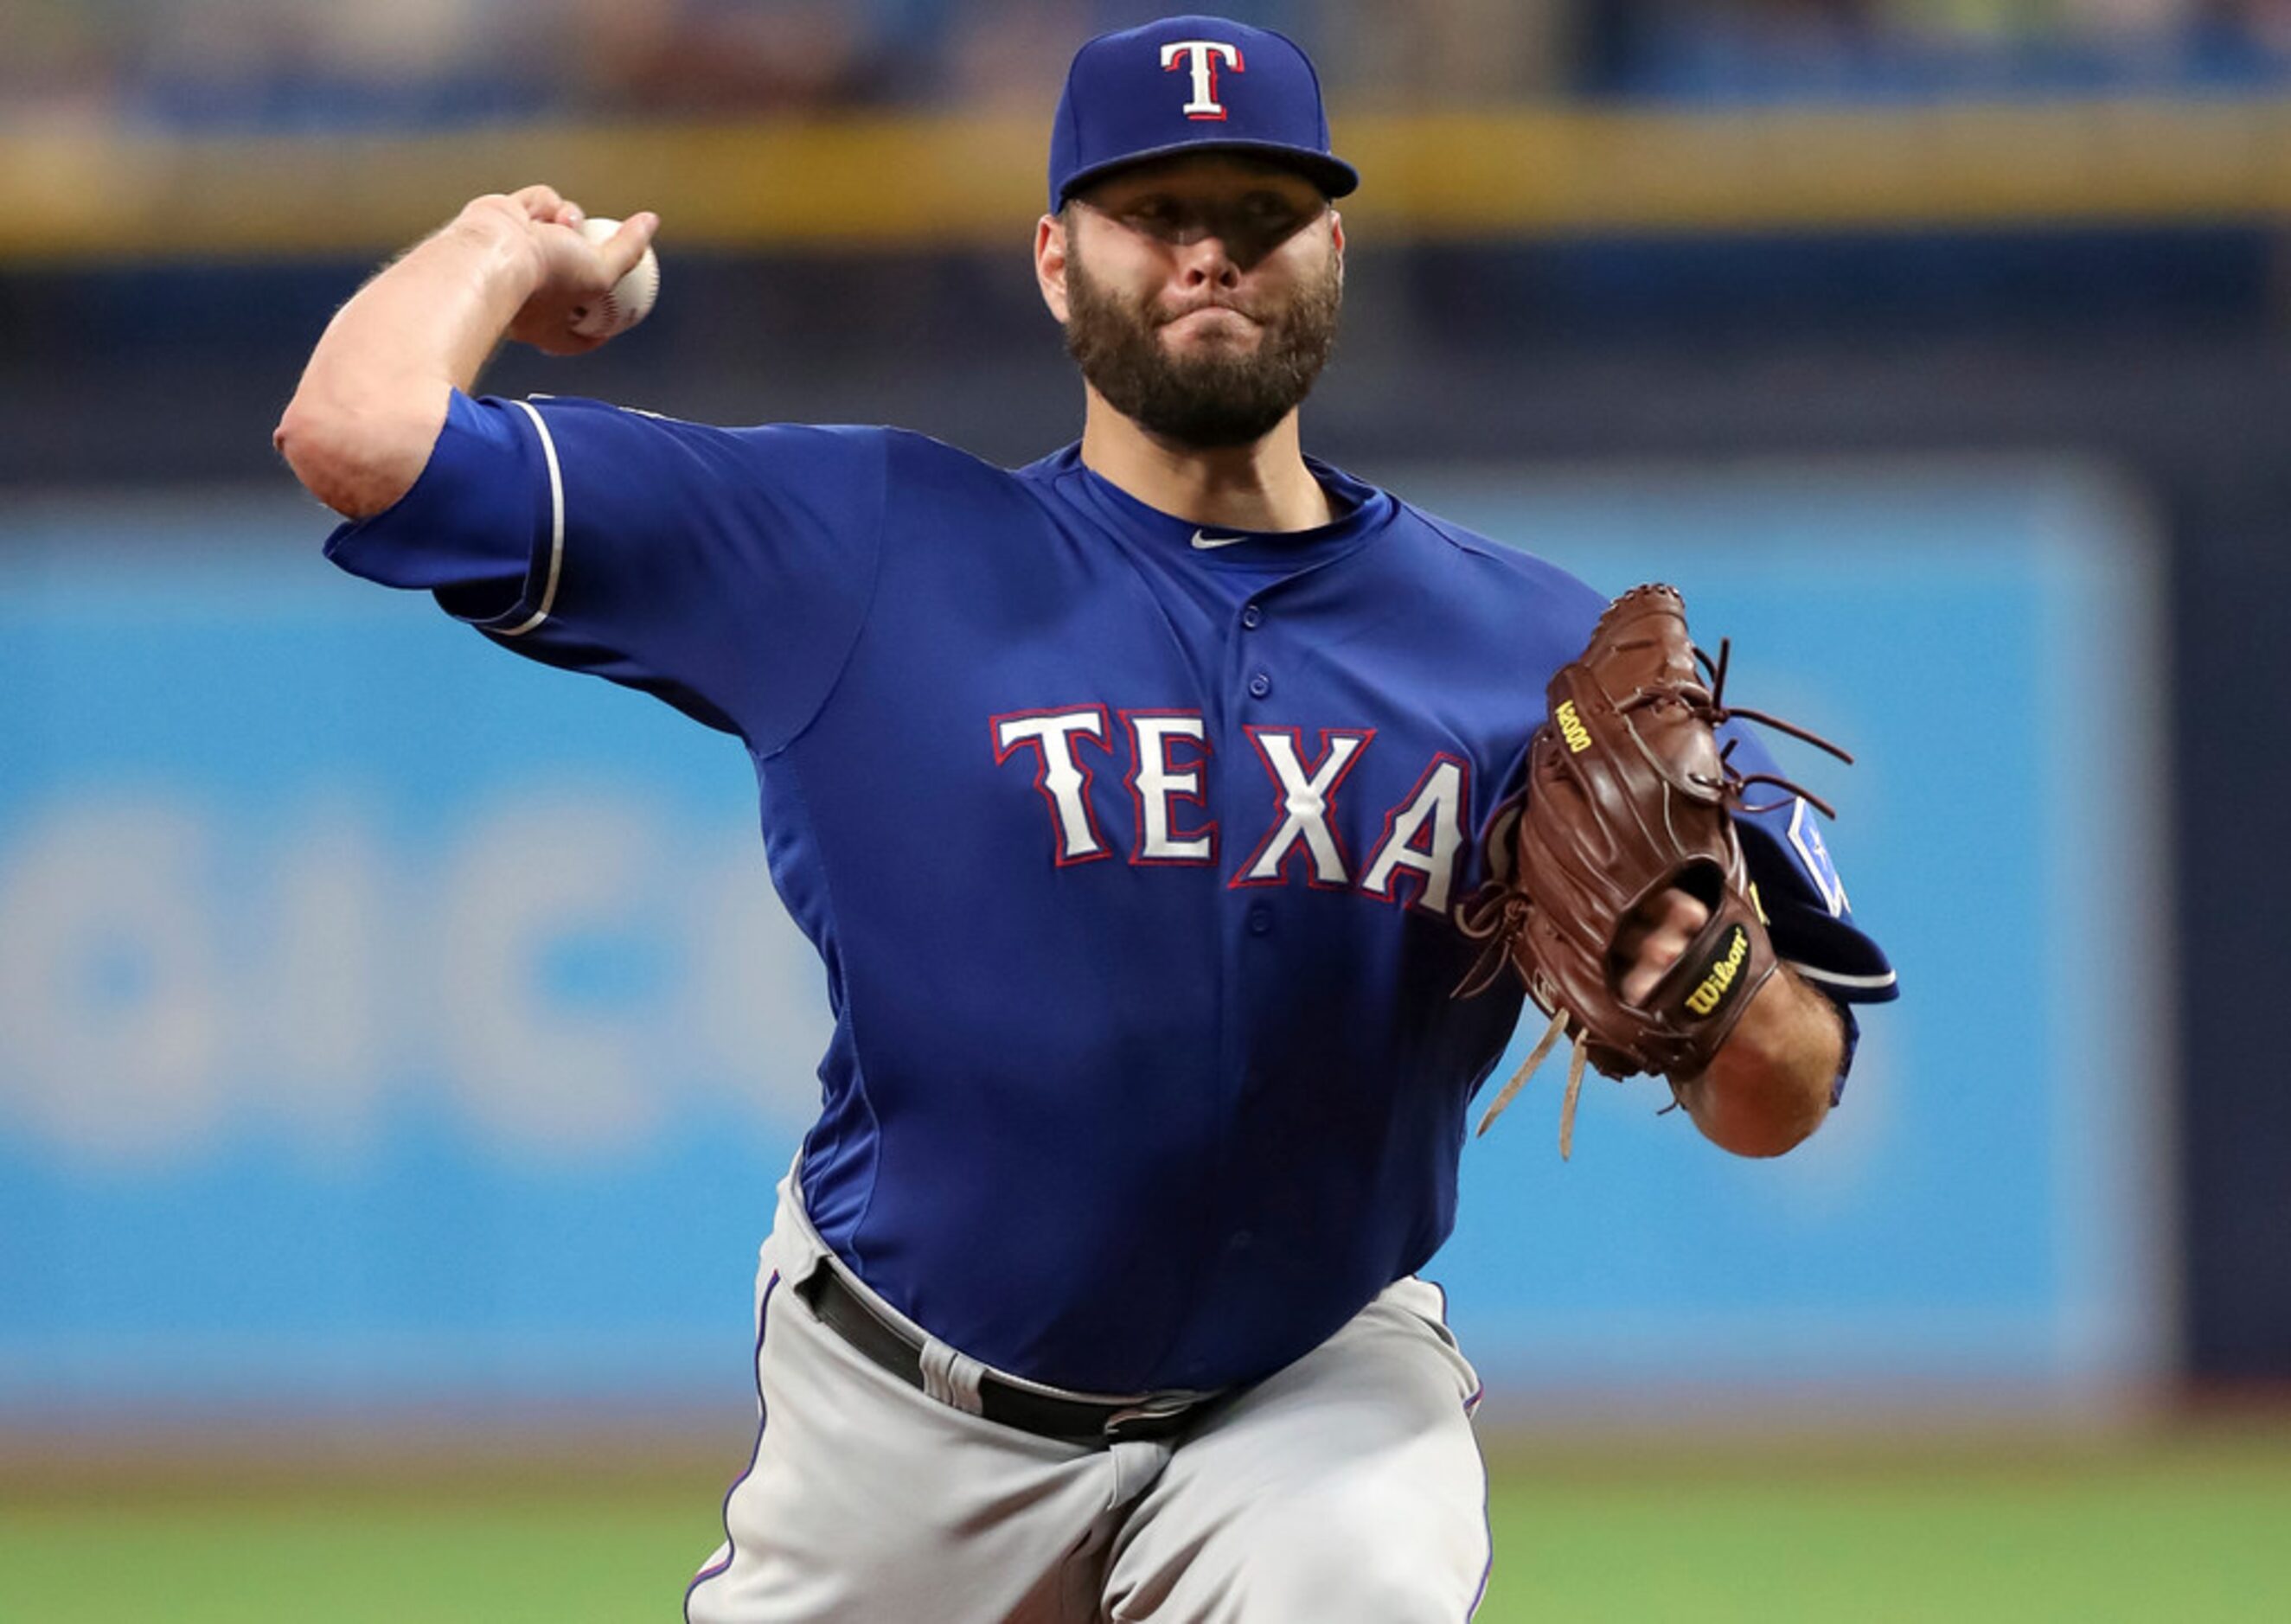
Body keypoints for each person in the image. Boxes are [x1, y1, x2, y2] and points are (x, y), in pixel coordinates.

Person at [275, 15, 1896, 1621]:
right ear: (1056, 259)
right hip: (904, 1414)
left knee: (1365, 1578)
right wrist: (497, 247)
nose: (1209, 255)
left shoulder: (1534, 655)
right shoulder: (860, 547)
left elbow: (1785, 1094)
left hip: (1305, 1396)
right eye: (1154, 215)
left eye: (1260, 216)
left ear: (1331, 248)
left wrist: (1713, 986)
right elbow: (359, 437)